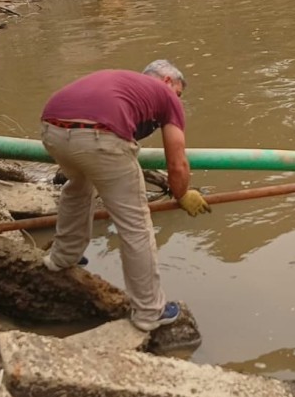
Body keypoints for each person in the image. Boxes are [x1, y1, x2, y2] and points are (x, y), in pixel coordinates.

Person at [40, 60, 211, 331]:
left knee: (78, 187)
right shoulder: (166, 95)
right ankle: (149, 312)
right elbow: (177, 162)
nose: (178, 100)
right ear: (167, 81)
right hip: (99, 136)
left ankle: (61, 259)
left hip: (52, 129)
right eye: (179, 92)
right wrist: (181, 194)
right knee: (135, 223)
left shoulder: (122, 81)